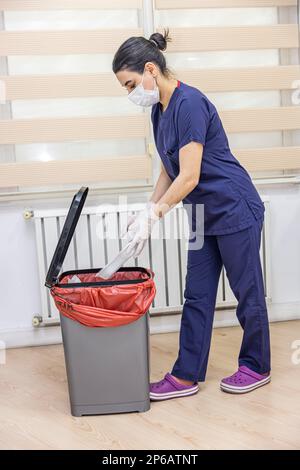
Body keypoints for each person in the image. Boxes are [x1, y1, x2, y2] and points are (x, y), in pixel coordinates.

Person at [112, 28, 271, 401]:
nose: (130, 93)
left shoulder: (190, 103)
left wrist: (158, 215)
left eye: (130, 84)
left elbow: (190, 174)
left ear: (150, 69)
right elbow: (168, 169)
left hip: (234, 205)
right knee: (196, 296)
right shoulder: (158, 111)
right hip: (202, 214)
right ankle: (186, 375)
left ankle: (257, 365)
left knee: (247, 292)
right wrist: (148, 209)